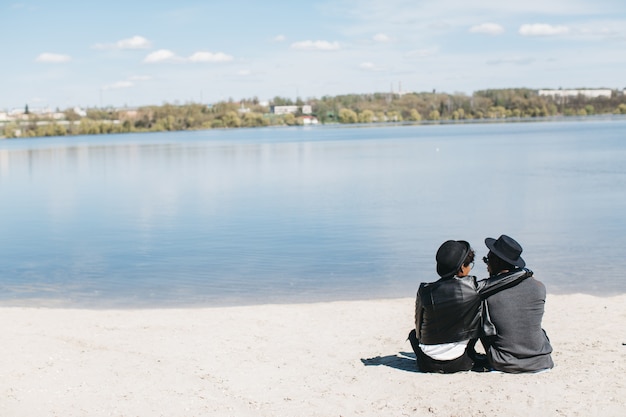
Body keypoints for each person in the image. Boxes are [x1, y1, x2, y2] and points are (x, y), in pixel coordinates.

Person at [408, 240, 532, 373]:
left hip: (426, 364)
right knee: (477, 312)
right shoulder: (473, 288)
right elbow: (507, 279)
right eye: (470, 265)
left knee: (412, 334)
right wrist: (525, 271)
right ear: (462, 268)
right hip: (459, 363)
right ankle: (471, 354)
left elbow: (419, 327)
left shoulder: (424, 291)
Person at [480, 234, 554, 373]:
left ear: (496, 262)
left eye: (487, 260)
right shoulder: (539, 287)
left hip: (504, 363)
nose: (487, 266)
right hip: (541, 360)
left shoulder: (487, 293)